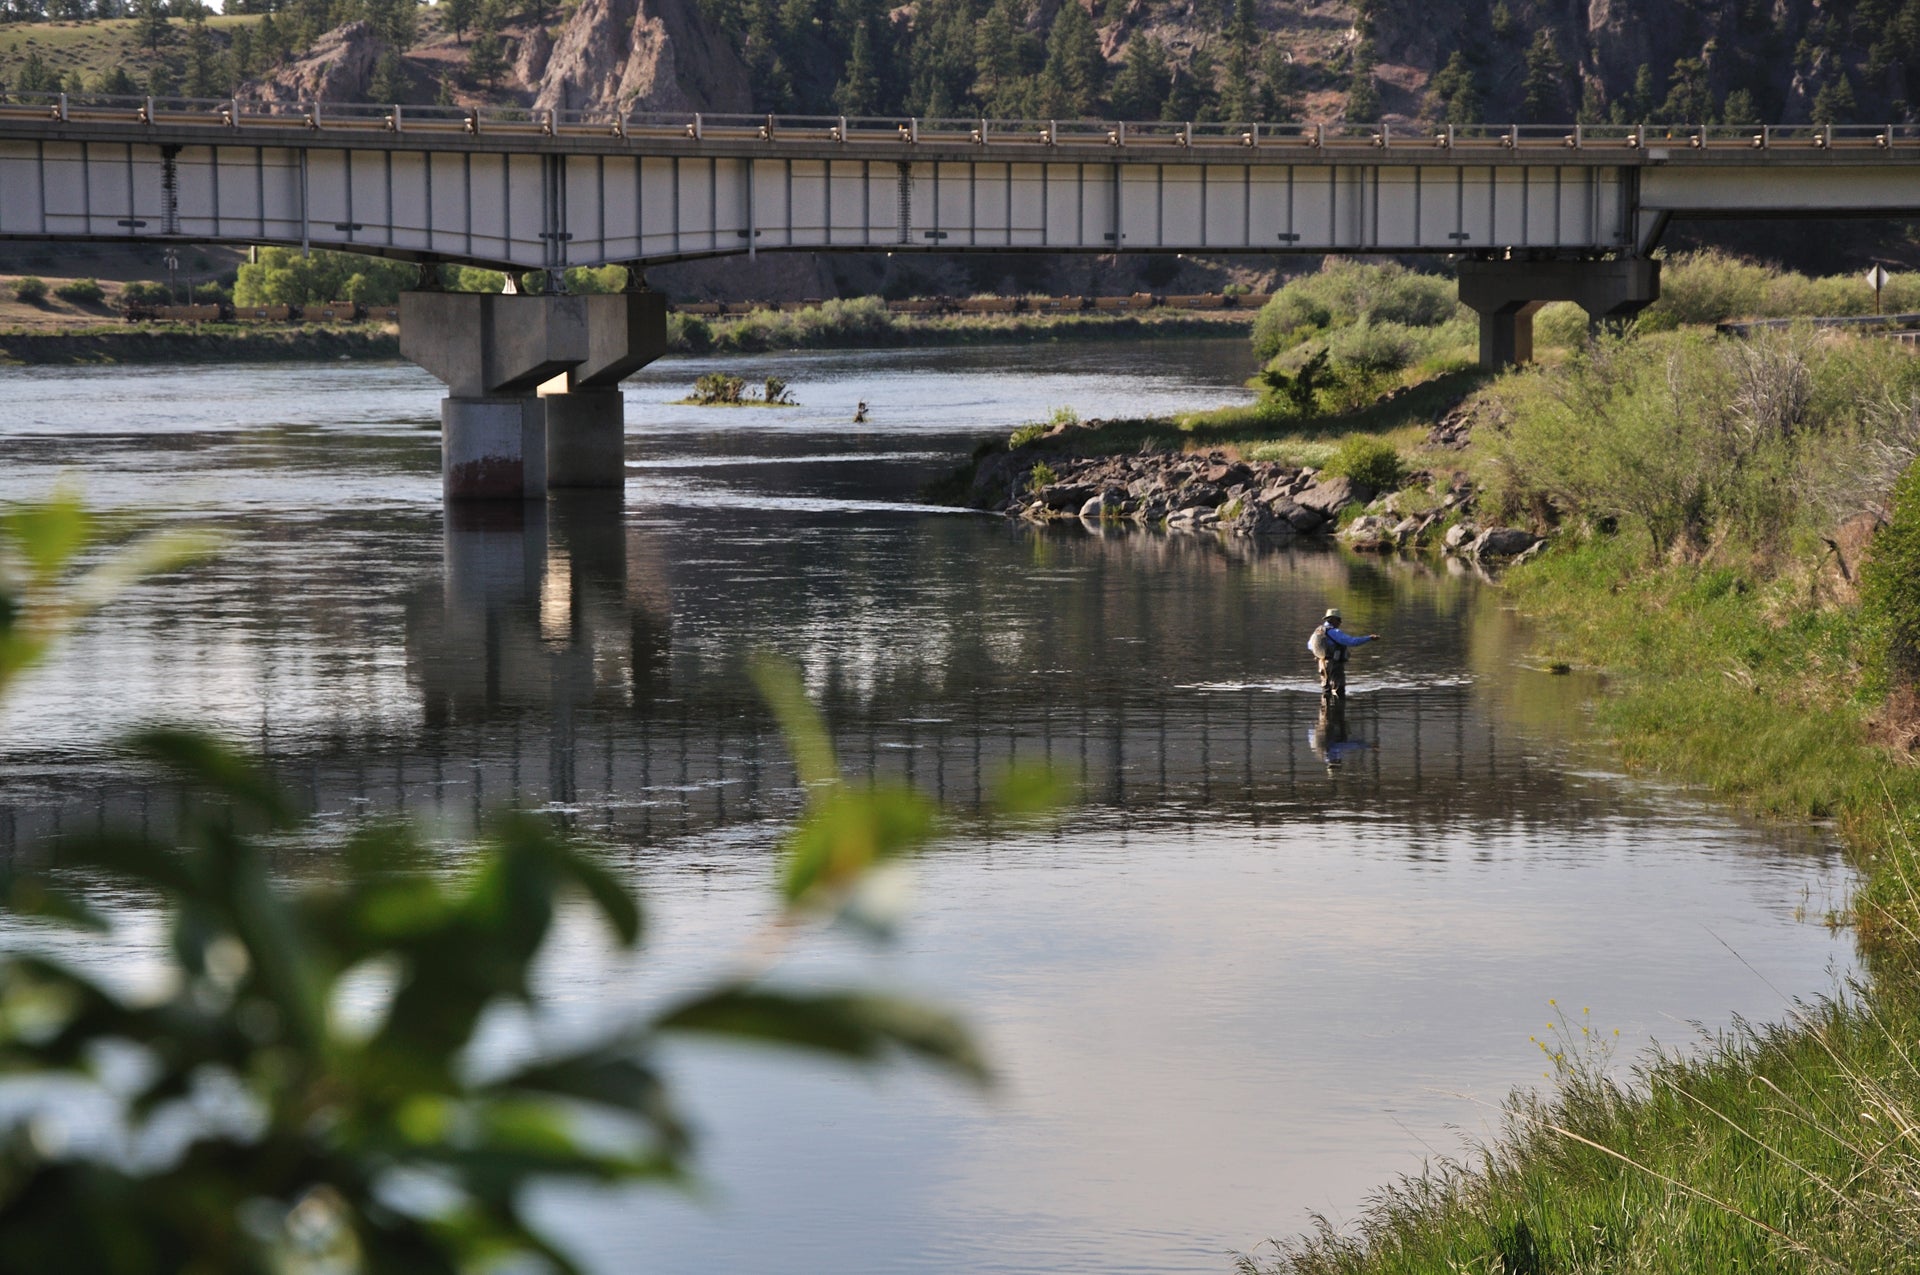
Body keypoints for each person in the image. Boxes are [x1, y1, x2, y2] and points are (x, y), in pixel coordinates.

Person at [1307, 607, 1379, 701]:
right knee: (1339, 690)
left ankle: (1325, 712)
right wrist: (1369, 638)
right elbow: (1352, 642)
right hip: (1334, 664)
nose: (1340, 622)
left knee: (1326, 689)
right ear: (1332, 619)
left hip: (1322, 664)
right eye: (1339, 620)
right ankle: (1337, 712)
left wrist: (1321, 653)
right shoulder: (1334, 632)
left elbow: (1309, 645)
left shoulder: (1318, 631)